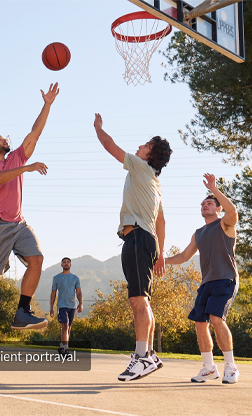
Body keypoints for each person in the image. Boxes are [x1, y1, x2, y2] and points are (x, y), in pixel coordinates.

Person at [0, 83, 61, 354]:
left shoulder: (17, 157)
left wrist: (47, 104)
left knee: (38, 258)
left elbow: (35, 132)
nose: (5, 140)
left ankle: (22, 311)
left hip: (18, 223)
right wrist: (27, 167)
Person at [93, 113, 172, 382]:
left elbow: (110, 147)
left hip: (138, 238)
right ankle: (147, 353)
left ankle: (141, 358)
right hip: (146, 241)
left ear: (149, 155)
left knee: (138, 300)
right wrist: (159, 253)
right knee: (143, 299)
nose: (141, 145)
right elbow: (161, 220)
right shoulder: (156, 184)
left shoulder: (138, 165)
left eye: (146, 144)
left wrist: (98, 128)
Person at [165, 174, 242, 384]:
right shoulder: (198, 233)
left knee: (217, 319)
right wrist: (162, 261)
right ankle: (209, 368)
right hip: (206, 282)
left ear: (218, 208)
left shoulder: (225, 224)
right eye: (203, 204)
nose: (204, 206)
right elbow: (183, 256)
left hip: (226, 279)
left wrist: (214, 189)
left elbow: (233, 211)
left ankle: (231, 367)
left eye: (209, 203)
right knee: (200, 323)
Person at [49, 257, 82, 356]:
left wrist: (81, 303)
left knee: (69, 328)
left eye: (68, 262)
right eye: (64, 262)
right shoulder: (56, 278)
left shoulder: (75, 278)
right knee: (65, 325)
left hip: (72, 306)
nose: (66, 263)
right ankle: (66, 350)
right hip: (61, 305)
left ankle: (61, 347)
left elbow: (79, 292)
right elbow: (53, 293)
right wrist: (51, 307)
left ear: (70, 265)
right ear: (61, 265)